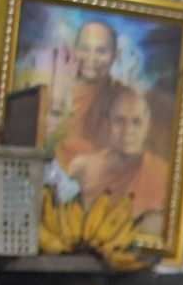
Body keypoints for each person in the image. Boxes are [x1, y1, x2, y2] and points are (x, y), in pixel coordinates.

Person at [64, 86, 169, 233]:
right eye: (119, 121)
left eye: (136, 122)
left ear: (147, 126)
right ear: (107, 123)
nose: (128, 131)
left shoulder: (161, 174)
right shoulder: (82, 167)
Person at [43, 19, 120, 166]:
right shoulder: (55, 89)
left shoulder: (122, 97)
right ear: (74, 50)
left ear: (115, 55)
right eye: (84, 49)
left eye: (101, 51)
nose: (91, 58)